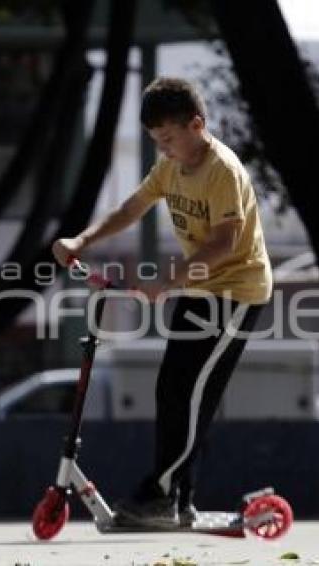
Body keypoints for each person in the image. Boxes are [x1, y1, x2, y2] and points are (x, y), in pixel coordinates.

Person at [52, 77, 272, 528]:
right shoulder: (171, 167)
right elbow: (133, 207)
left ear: (196, 124)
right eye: (157, 141)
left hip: (236, 292)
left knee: (189, 393)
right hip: (199, 289)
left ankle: (163, 494)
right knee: (174, 390)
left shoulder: (221, 170)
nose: (164, 149)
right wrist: (82, 239)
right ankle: (178, 498)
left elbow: (226, 243)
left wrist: (168, 283)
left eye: (169, 139)